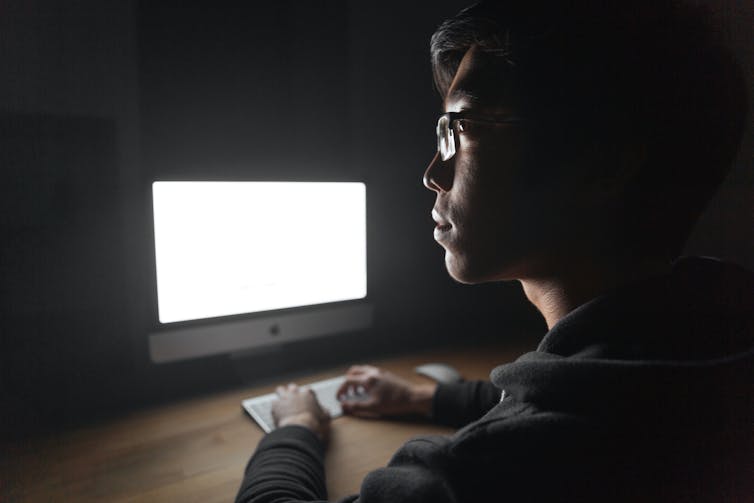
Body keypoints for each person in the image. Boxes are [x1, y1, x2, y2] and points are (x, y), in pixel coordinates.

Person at [236, 1, 753, 501]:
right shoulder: (710, 342)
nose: (434, 174)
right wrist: (428, 396)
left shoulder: (492, 472)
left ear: (604, 166)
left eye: (461, 127)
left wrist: (297, 426)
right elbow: (586, 389)